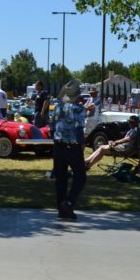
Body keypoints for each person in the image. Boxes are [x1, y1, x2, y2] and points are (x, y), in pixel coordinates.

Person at [50, 80, 86, 221]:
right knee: (80, 176)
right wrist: (82, 143)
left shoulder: (58, 107)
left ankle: (61, 209)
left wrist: (55, 138)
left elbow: (52, 126)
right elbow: (79, 129)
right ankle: (68, 202)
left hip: (58, 145)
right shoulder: (78, 109)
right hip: (72, 145)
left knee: (61, 178)